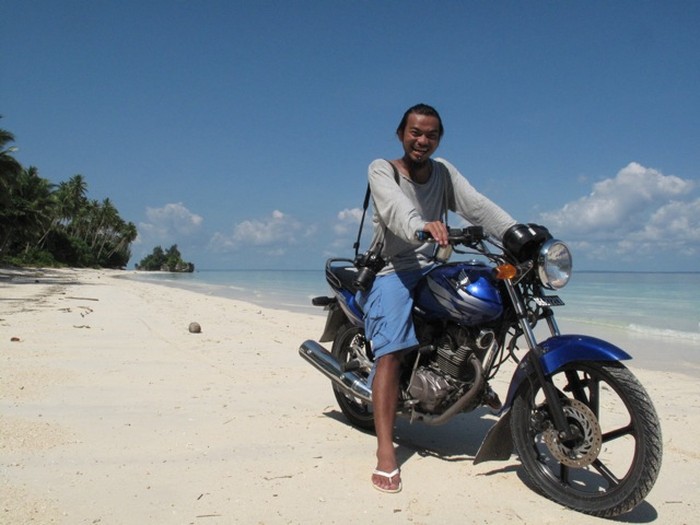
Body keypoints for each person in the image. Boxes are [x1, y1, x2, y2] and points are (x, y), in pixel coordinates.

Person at [358, 103, 517, 493]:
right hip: (394, 268)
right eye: (415, 132)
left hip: (434, 264)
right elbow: (395, 209)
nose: (422, 141)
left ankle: (468, 377)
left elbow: (477, 206)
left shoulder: (443, 172)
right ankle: (385, 450)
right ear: (401, 134)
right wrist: (421, 227)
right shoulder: (382, 169)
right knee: (391, 353)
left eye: (431, 135)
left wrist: (517, 233)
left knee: (489, 303)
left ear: (439, 139)